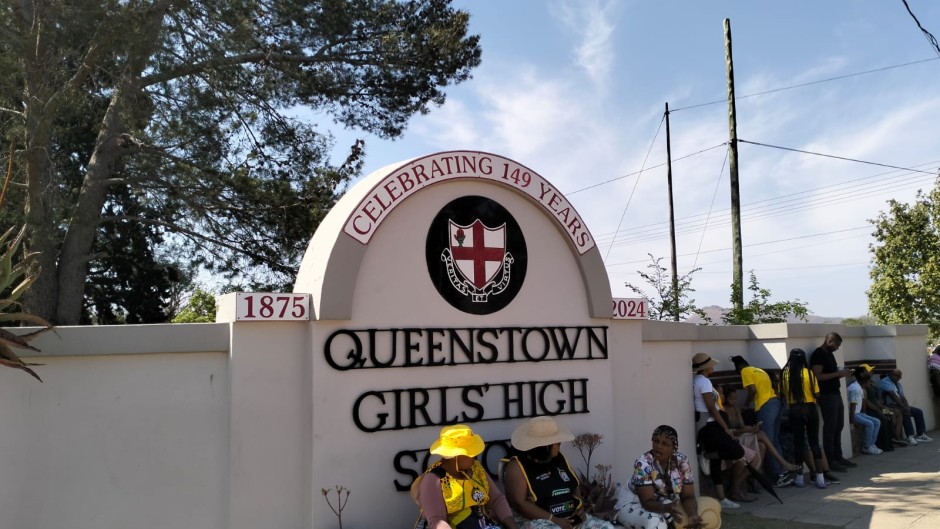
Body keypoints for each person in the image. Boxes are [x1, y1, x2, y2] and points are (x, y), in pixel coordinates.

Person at [503, 416, 614, 529]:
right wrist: (553, 519)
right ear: (546, 446)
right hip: (539, 521)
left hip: (569, 517)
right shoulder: (516, 466)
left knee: (607, 527)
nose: (560, 448)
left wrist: (579, 509)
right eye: (558, 444)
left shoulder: (558, 458)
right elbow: (519, 503)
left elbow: (573, 484)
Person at [412, 424, 520, 529]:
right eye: (470, 453)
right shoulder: (433, 479)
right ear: (455, 457)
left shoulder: (476, 469)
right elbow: (437, 521)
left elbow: (497, 500)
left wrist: (512, 526)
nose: (474, 456)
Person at [618, 425, 721, 529]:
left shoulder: (682, 462)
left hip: (662, 503)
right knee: (657, 523)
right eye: (656, 441)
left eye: (665, 444)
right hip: (633, 503)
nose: (658, 446)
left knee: (686, 517)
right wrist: (666, 508)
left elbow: (688, 496)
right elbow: (646, 501)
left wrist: (692, 514)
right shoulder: (643, 464)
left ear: (673, 448)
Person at [692, 352, 756, 508]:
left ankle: (721, 498)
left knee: (716, 463)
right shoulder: (705, 382)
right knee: (737, 452)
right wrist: (725, 427)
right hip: (711, 424)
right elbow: (711, 407)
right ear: (706, 367)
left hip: (706, 424)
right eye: (711, 365)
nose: (713, 366)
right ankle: (707, 454)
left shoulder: (696, 380)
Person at [729, 355, 791, 487]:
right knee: (774, 440)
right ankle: (783, 473)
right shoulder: (759, 370)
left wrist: (746, 404)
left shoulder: (745, 371)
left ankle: (777, 475)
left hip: (765, 406)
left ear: (739, 367)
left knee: (766, 440)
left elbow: (752, 390)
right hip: (776, 403)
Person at [721, 384, 800, 480]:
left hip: (741, 434)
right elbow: (728, 432)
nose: (734, 401)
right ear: (725, 398)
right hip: (732, 438)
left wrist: (752, 428)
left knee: (762, 444)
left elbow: (742, 426)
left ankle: (756, 476)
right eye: (731, 399)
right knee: (762, 435)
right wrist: (745, 430)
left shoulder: (736, 408)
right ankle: (783, 463)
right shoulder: (722, 411)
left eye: (735, 399)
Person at [780, 348, 827, 489]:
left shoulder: (785, 374)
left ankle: (799, 478)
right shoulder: (809, 374)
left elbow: (782, 394)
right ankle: (820, 478)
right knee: (814, 443)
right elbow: (817, 394)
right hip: (810, 408)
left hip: (794, 410)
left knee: (799, 444)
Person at [809, 332, 856, 472]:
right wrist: (838, 374)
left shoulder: (829, 354)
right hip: (826, 395)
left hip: (835, 393)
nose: (837, 348)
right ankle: (829, 461)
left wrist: (842, 372)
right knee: (830, 427)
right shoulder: (819, 354)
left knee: (839, 425)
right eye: (836, 345)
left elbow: (830, 371)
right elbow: (816, 376)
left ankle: (838, 456)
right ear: (829, 341)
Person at [878, 369, 934, 445]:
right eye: (895, 375)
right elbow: (894, 396)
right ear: (890, 375)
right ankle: (910, 436)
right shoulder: (885, 381)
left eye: (898, 376)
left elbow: (903, 397)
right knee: (904, 411)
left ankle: (921, 434)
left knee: (918, 411)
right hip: (886, 407)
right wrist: (903, 406)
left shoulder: (898, 384)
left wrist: (906, 405)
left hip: (897, 406)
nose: (898, 377)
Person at [847, 365, 882, 455]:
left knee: (877, 421)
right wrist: (853, 420)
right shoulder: (855, 388)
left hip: (860, 413)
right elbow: (853, 404)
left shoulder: (861, 388)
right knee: (870, 423)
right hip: (854, 414)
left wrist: (864, 414)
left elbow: (863, 403)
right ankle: (866, 447)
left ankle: (871, 444)